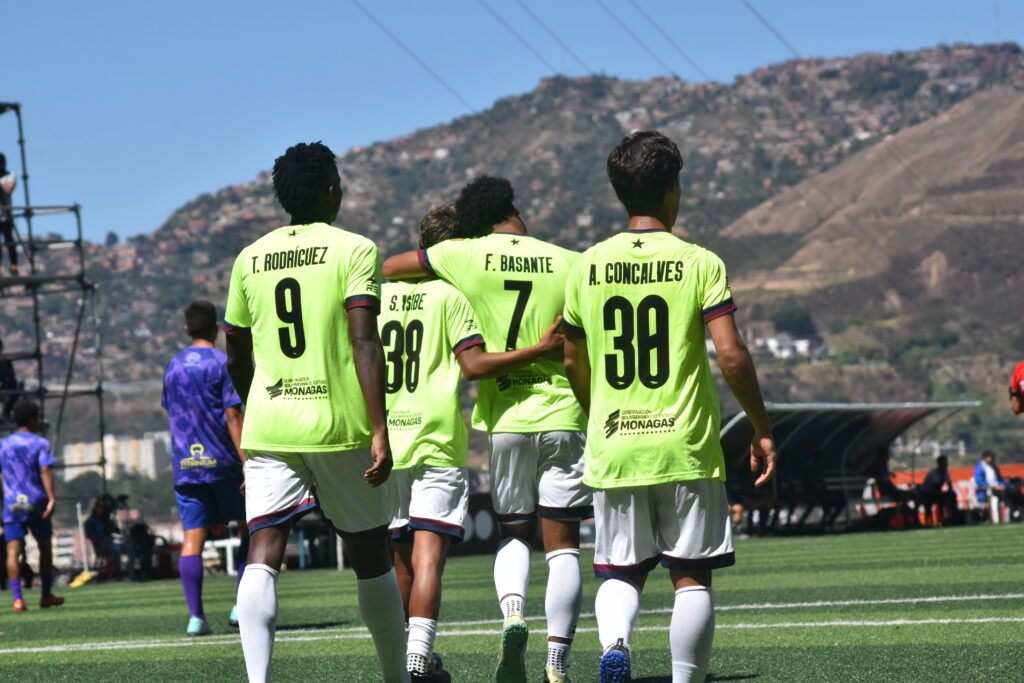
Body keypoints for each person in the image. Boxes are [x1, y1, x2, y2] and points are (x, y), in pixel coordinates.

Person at [561, 131, 776, 683]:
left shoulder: (586, 266)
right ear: (673, 189)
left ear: (619, 193)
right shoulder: (700, 262)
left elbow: (571, 359)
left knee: (619, 571)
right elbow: (732, 354)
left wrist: (598, 413)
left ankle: (616, 644)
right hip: (684, 445)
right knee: (692, 576)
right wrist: (760, 427)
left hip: (615, 443)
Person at [384, 177, 589, 683]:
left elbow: (388, 268)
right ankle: (556, 661)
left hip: (503, 418)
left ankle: (512, 611)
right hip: (563, 412)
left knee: (514, 532)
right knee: (563, 546)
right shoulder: (569, 260)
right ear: (513, 207)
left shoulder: (464, 256)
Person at [224, 142, 408, 683]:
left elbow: (234, 350)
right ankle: (396, 678)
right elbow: (364, 341)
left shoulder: (249, 257)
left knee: (263, 549)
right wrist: (380, 427)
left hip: (271, 425)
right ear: (331, 190)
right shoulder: (355, 249)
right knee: (370, 552)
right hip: (338, 426)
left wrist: (258, 402)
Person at [162, 299, 249, 635]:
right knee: (249, 530)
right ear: (216, 327)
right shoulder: (222, 362)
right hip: (224, 462)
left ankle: (196, 618)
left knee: (192, 539)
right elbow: (233, 415)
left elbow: (172, 414)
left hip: (187, 465)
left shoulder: (172, 367)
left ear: (186, 329)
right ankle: (241, 605)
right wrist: (247, 462)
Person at [0, 401, 64, 612]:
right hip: (37, 502)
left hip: (12, 504)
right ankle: (46, 595)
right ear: (31, 419)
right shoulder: (40, 443)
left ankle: (18, 599)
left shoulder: (3, 444)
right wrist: (52, 498)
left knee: (13, 551)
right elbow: (45, 470)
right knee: (44, 547)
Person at [974, 450, 1022, 523]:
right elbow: (979, 481)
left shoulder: (994, 467)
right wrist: (994, 486)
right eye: (991, 457)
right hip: (989, 489)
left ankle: (1017, 512)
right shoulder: (981, 467)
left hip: (999, 487)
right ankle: (1008, 512)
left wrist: (1008, 485)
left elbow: (999, 479)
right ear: (986, 458)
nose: (993, 459)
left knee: (1015, 492)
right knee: (1004, 493)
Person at [84, 493, 123, 577]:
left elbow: (114, 504)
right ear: (96, 508)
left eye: (103, 508)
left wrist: (106, 496)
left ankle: (127, 572)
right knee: (116, 550)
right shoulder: (90, 521)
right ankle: (117, 573)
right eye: (100, 508)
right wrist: (103, 539)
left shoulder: (103, 518)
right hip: (100, 546)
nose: (102, 510)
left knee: (126, 547)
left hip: (109, 543)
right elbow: (89, 535)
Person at [917, 456, 958, 525]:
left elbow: (949, 486)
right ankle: (936, 520)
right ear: (939, 464)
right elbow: (935, 488)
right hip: (926, 494)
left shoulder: (945, 472)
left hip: (936, 494)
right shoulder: (933, 473)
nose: (945, 465)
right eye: (944, 463)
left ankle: (953, 517)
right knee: (939, 498)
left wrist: (949, 493)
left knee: (952, 495)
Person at [0, 153, 17, 275]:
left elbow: (9, 189)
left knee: (9, 242)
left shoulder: (10, 175)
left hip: (6, 216)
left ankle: (14, 266)